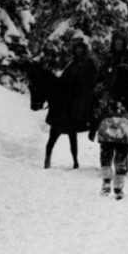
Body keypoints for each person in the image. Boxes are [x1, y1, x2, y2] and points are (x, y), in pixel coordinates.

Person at [89, 64, 128, 199]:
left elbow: (100, 110)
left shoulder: (108, 89)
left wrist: (93, 128)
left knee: (106, 157)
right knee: (121, 158)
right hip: (125, 129)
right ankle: (119, 187)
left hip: (108, 128)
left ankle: (106, 183)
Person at [43, 36, 97, 169]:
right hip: (70, 93)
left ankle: (85, 122)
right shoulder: (71, 64)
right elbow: (64, 77)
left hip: (81, 94)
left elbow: (90, 80)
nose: (78, 52)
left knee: (81, 104)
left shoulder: (88, 64)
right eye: (76, 49)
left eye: (80, 49)